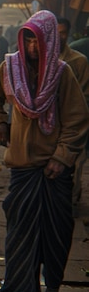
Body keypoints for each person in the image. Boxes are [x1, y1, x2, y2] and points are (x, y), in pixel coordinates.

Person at [0, 10, 88, 292]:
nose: (31, 46)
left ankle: (52, 285)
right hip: (23, 166)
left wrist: (62, 157)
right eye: (27, 39)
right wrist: (0, 122)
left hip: (55, 169)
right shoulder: (9, 67)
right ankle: (19, 290)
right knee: (19, 233)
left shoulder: (63, 72)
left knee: (57, 232)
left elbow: (77, 120)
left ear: (49, 40)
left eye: (37, 40)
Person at [57, 17, 89, 205]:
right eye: (56, 33)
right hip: (48, 131)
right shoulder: (39, 59)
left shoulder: (78, 61)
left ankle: (70, 204)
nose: (59, 37)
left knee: (74, 168)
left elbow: (85, 96)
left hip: (73, 127)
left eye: (63, 33)